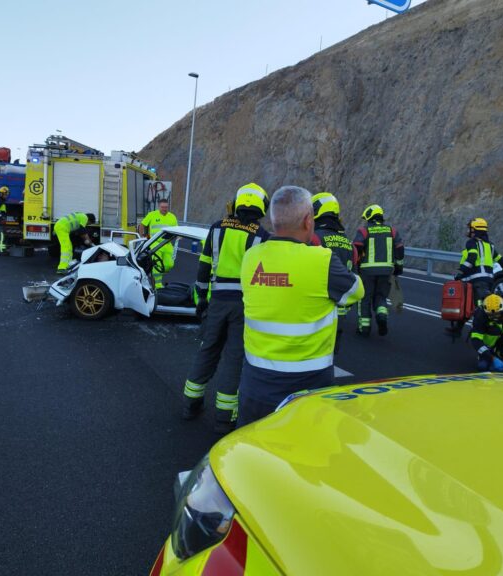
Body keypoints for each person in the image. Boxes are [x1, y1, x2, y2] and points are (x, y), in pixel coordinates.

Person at [238, 186, 364, 428]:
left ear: (273, 221)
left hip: (256, 384)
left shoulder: (251, 257)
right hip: (309, 387)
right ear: (308, 221)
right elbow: (355, 292)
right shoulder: (322, 260)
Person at [182, 183, 271, 433]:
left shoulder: (217, 228)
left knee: (207, 350)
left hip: (217, 302)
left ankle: (190, 403)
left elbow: (204, 265)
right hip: (243, 306)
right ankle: (224, 418)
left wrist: (200, 296)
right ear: (261, 206)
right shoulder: (262, 236)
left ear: (237, 202)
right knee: (234, 358)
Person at [310, 192, 356, 353]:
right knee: (330, 355)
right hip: (341, 312)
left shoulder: (314, 238)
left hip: (317, 309)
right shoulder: (348, 243)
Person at [353, 204, 404, 336]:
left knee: (364, 299)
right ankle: (382, 315)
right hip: (386, 271)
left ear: (369, 216)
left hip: (367, 272)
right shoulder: (392, 231)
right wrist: (398, 266)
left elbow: (357, 247)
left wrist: (355, 266)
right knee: (381, 297)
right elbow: (399, 248)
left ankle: (364, 328)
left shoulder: (364, 231)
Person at [455, 217, 503, 306]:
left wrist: (461, 272)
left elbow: (472, 257)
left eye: (470, 228)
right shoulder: (490, 245)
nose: (468, 230)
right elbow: (501, 260)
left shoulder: (472, 242)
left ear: (474, 230)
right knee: (486, 304)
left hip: (477, 281)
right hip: (489, 281)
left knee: (479, 307)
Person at [470, 293, 503, 371]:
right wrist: (491, 358)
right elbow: (476, 340)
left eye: (497, 314)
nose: (494, 318)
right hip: (487, 340)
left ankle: (501, 354)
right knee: (482, 367)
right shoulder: (480, 315)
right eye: (491, 315)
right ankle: (488, 354)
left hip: (502, 337)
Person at [139, 198, 178, 288]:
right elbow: (142, 225)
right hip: (155, 243)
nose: (164, 209)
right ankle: (158, 284)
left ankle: (153, 273)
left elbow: (176, 229)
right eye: (162, 207)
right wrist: (142, 237)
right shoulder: (152, 215)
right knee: (158, 264)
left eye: (166, 207)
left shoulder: (172, 217)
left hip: (167, 243)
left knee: (169, 264)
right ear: (158, 206)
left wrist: (179, 237)